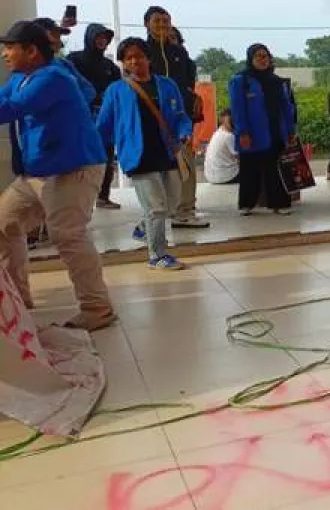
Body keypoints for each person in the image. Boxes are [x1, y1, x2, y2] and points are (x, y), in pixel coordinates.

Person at [0, 20, 115, 330]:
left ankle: (97, 308)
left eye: (10, 47)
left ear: (32, 51)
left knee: (68, 235)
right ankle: (16, 301)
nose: (5, 54)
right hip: (38, 174)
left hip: (73, 169)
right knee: (4, 224)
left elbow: (8, 109)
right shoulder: (21, 78)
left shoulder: (53, 77)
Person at [97, 38, 192, 270]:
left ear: (148, 58)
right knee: (156, 208)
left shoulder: (167, 85)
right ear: (123, 63)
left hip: (167, 151)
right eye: (128, 58)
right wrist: (96, 153)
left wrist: (184, 132)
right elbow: (103, 126)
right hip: (138, 155)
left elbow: (180, 115)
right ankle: (157, 255)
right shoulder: (116, 91)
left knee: (172, 204)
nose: (134, 61)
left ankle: (143, 228)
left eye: (138, 56)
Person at [144, 6, 209, 228]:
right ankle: (159, 212)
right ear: (147, 24)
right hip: (151, 118)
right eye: (157, 21)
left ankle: (185, 210)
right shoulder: (142, 52)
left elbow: (188, 84)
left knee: (185, 164)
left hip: (180, 120)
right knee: (156, 167)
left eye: (165, 21)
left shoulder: (179, 53)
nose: (162, 25)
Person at [229, 44, 296, 215]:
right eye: (258, 56)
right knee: (249, 169)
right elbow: (237, 109)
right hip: (252, 133)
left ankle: (279, 203)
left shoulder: (276, 81)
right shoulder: (241, 80)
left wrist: (290, 131)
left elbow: (286, 107)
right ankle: (247, 204)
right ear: (250, 59)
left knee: (275, 169)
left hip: (274, 132)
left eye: (265, 56)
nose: (262, 59)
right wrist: (242, 132)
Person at [66, 23, 122, 209]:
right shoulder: (74, 60)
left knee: (106, 156)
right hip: (80, 118)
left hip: (104, 117)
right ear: (89, 37)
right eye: (98, 37)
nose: (102, 41)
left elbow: (117, 90)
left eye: (105, 38)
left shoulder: (110, 66)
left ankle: (103, 196)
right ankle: (77, 198)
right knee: (79, 159)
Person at [204, 109, 240, 185]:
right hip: (226, 177)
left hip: (210, 176)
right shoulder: (229, 136)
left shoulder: (216, 133)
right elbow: (239, 157)